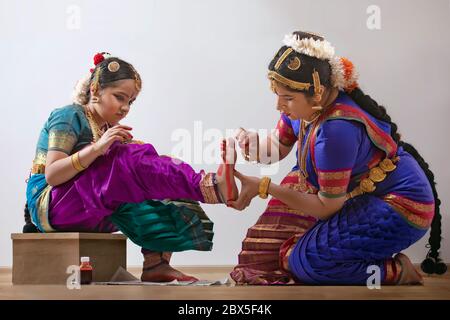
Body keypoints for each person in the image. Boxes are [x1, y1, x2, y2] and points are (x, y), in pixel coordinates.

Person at [229, 31, 444, 285]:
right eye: (277, 94)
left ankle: (397, 270)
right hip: (352, 196)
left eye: (287, 98)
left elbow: (326, 207)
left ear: (317, 94)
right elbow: (278, 145)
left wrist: (264, 187)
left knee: (306, 263)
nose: (279, 105)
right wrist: (252, 142)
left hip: (398, 205)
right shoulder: (304, 108)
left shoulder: (335, 131)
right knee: (272, 256)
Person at [25, 52, 238, 282]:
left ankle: (156, 264)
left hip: (88, 208)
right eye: (120, 97)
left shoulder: (106, 127)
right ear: (95, 90)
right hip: (50, 204)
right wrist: (98, 149)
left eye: (130, 101)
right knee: (129, 160)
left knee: (152, 178)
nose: (125, 108)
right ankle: (211, 186)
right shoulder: (69, 115)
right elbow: (53, 174)